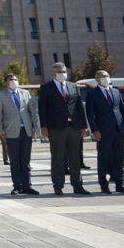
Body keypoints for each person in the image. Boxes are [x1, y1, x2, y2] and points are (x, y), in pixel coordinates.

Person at [37, 62, 89, 195]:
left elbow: (79, 107)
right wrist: (43, 126)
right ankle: (58, 185)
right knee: (58, 157)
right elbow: (42, 109)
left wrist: (83, 126)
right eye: (60, 72)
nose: (62, 74)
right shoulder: (46, 87)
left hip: (74, 127)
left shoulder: (73, 86)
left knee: (75, 157)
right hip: (56, 128)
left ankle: (77, 184)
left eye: (64, 71)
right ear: (53, 73)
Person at [85, 70, 124, 194]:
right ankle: (104, 186)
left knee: (119, 158)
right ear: (97, 79)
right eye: (103, 76)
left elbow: (122, 110)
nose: (106, 78)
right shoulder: (92, 94)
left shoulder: (116, 91)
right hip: (103, 131)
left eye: (107, 76)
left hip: (119, 129)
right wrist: (94, 130)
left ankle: (119, 184)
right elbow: (90, 115)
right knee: (103, 158)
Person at [0, 74, 39, 195]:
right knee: (14, 161)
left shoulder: (25, 93)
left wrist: (35, 128)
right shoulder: (0, 95)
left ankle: (27, 185)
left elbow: (32, 111)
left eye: (15, 79)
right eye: (10, 80)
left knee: (26, 160)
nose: (14, 81)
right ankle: (17, 186)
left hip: (26, 130)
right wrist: (1, 131)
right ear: (6, 83)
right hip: (11, 132)